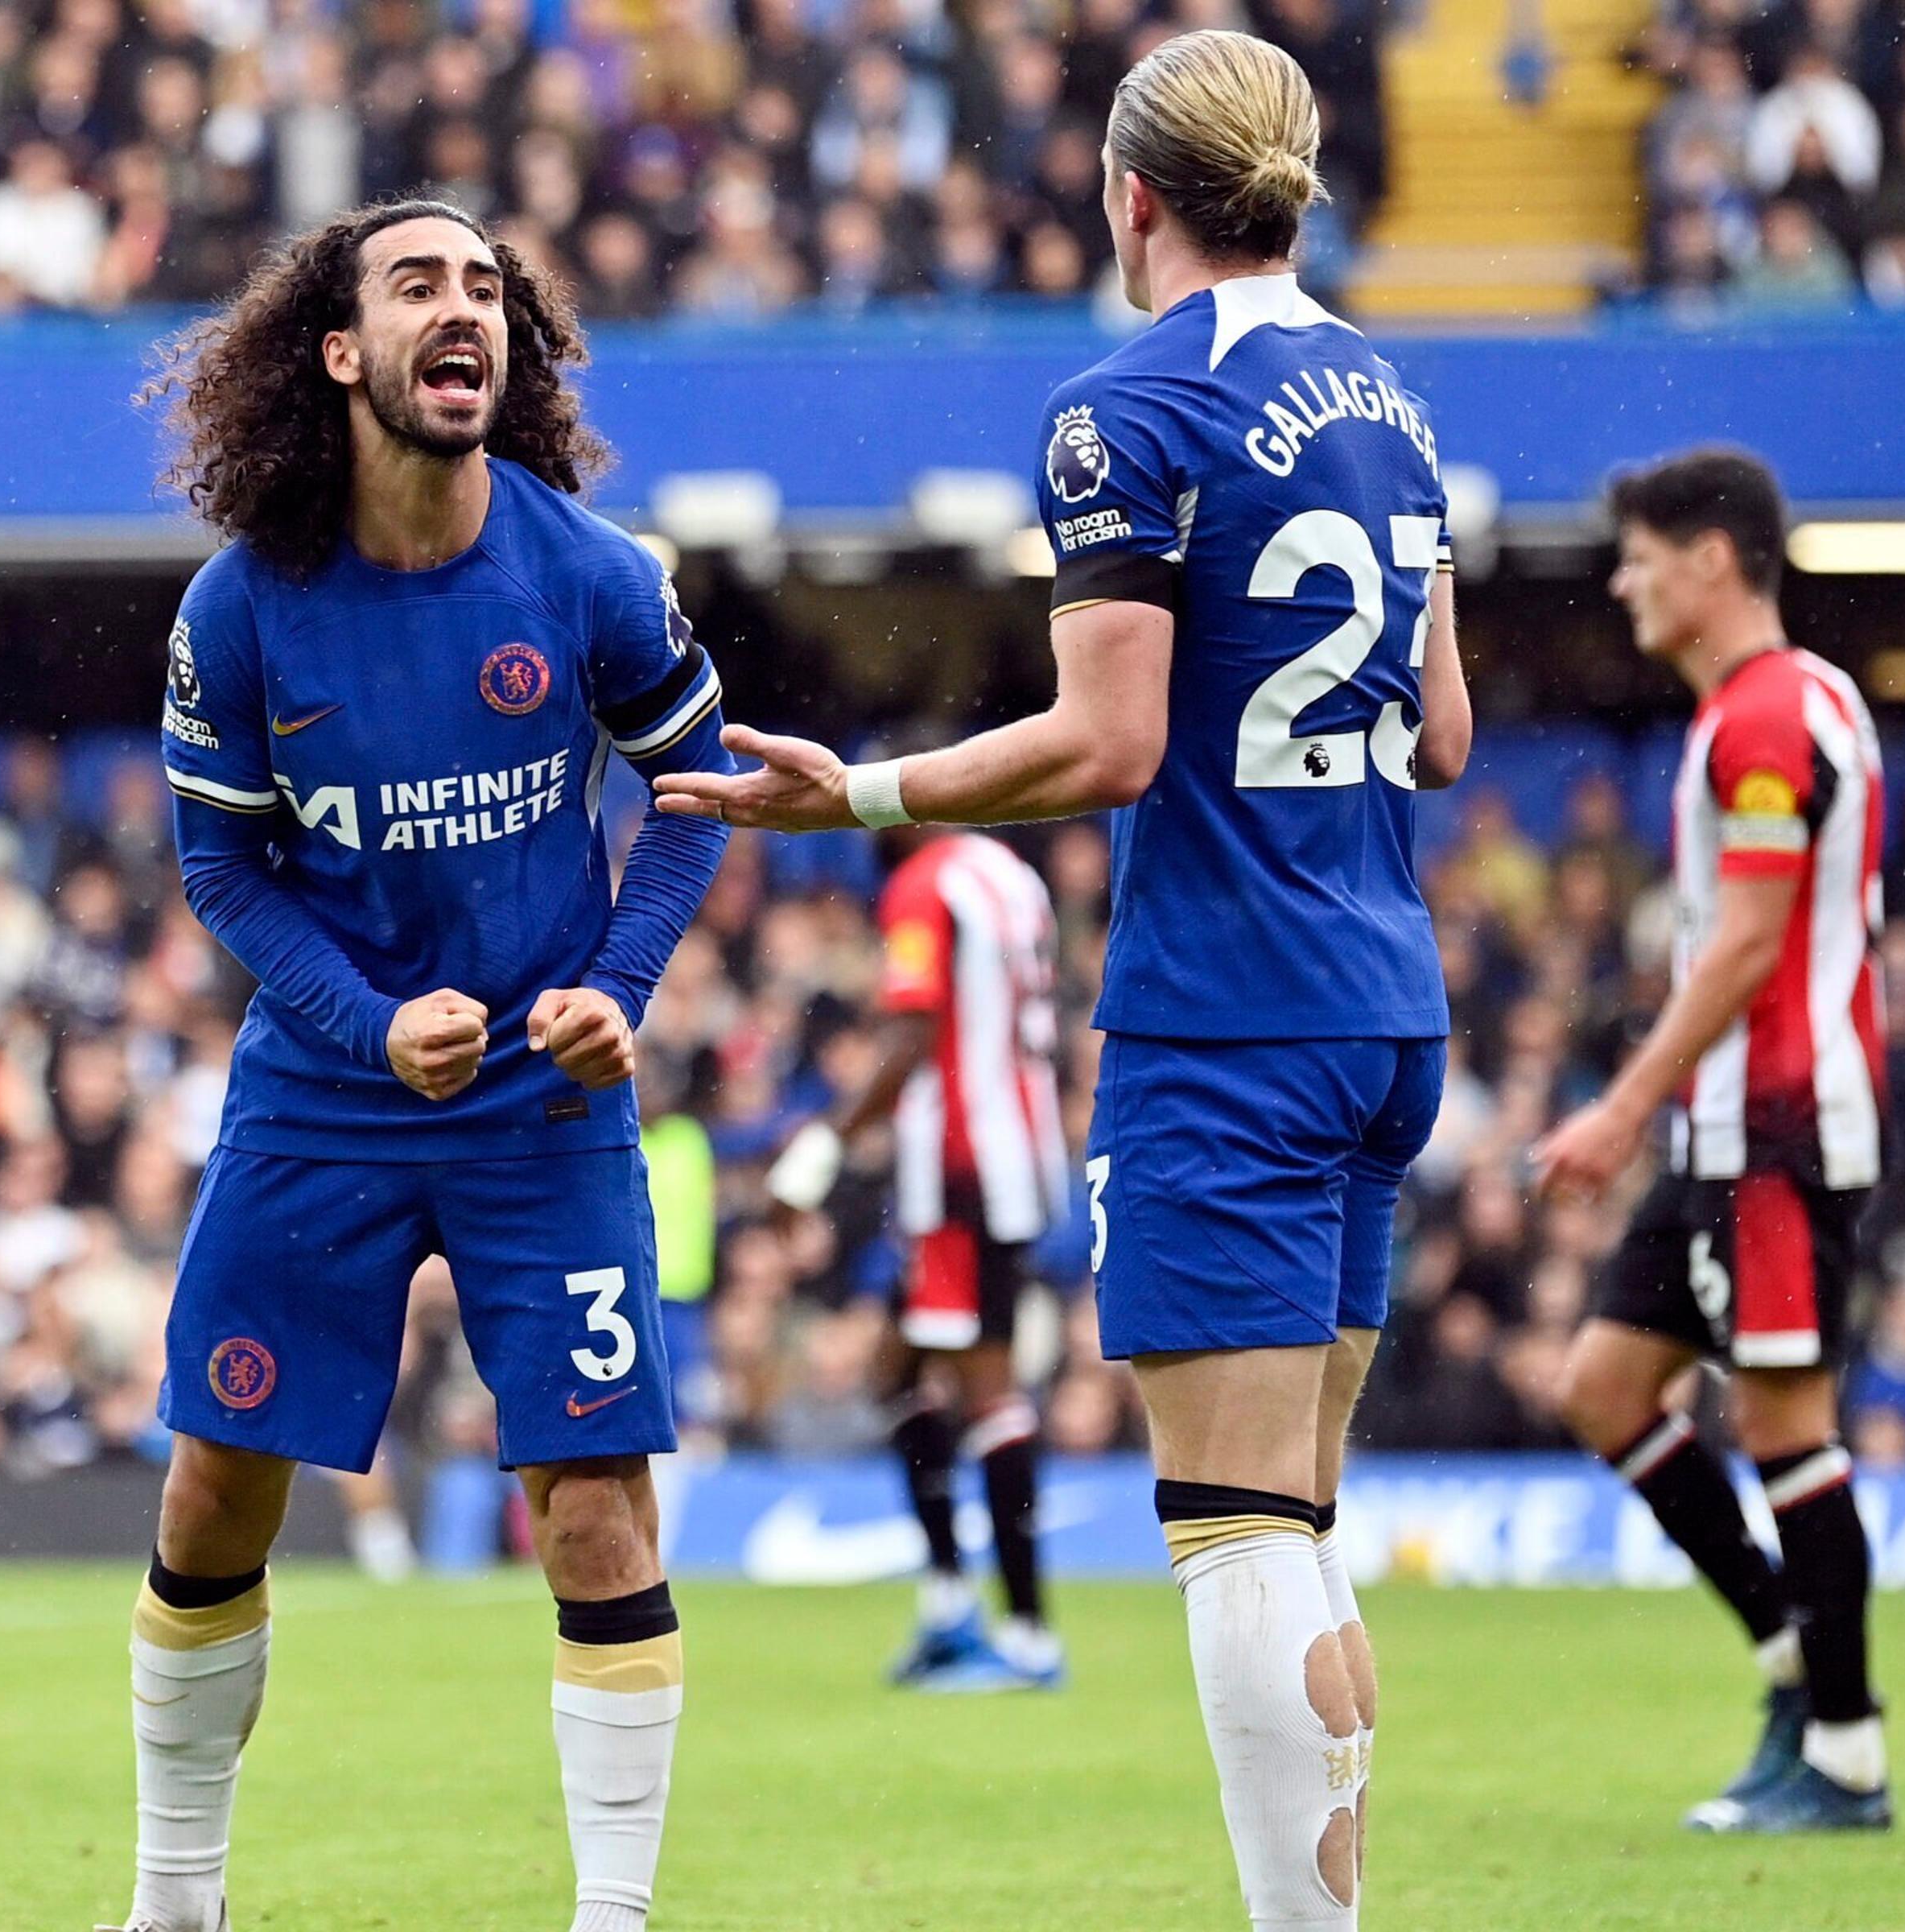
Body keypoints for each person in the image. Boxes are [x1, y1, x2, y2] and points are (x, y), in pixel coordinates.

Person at [655, 32, 1473, 1929]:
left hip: (1227, 1014)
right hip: (1379, 996)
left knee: (1235, 1526)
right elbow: (1436, 738)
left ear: (1129, 195)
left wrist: (853, 790)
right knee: (1294, 1518)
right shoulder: (1393, 405)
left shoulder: (1125, 410)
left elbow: (1105, 745)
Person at [111, 196, 735, 1932]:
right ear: (339, 351)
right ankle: (174, 1902)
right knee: (219, 1484)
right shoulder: (242, 612)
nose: (462, 309)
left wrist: (621, 980)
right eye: (418, 285)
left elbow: (690, 797)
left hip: (546, 1103)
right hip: (325, 1091)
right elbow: (226, 867)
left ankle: (611, 1922)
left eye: (486, 289)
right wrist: (370, 1021)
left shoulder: (594, 576)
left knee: (597, 1509)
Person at [1540, 448, 1893, 1835]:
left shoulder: (1764, 719)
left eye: (1640, 555)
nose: (1624, 580)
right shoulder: (1781, 705)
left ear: (1712, 560)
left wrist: (1621, 1107)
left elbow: (1752, 941)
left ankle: (1847, 1754)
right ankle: (1793, 1654)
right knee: (1600, 1387)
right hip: (1727, 1129)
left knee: (1785, 1426)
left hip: (1776, 1128)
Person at [765, 824, 1067, 1691]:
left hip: (961, 1160)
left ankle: (1028, 1637)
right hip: (1013, 1147)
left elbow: (912, 1031)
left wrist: (821, 1148)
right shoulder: (1011, 873)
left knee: (984, 1387)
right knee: (898, 1372)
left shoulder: (923, 883)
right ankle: (948, 1607)